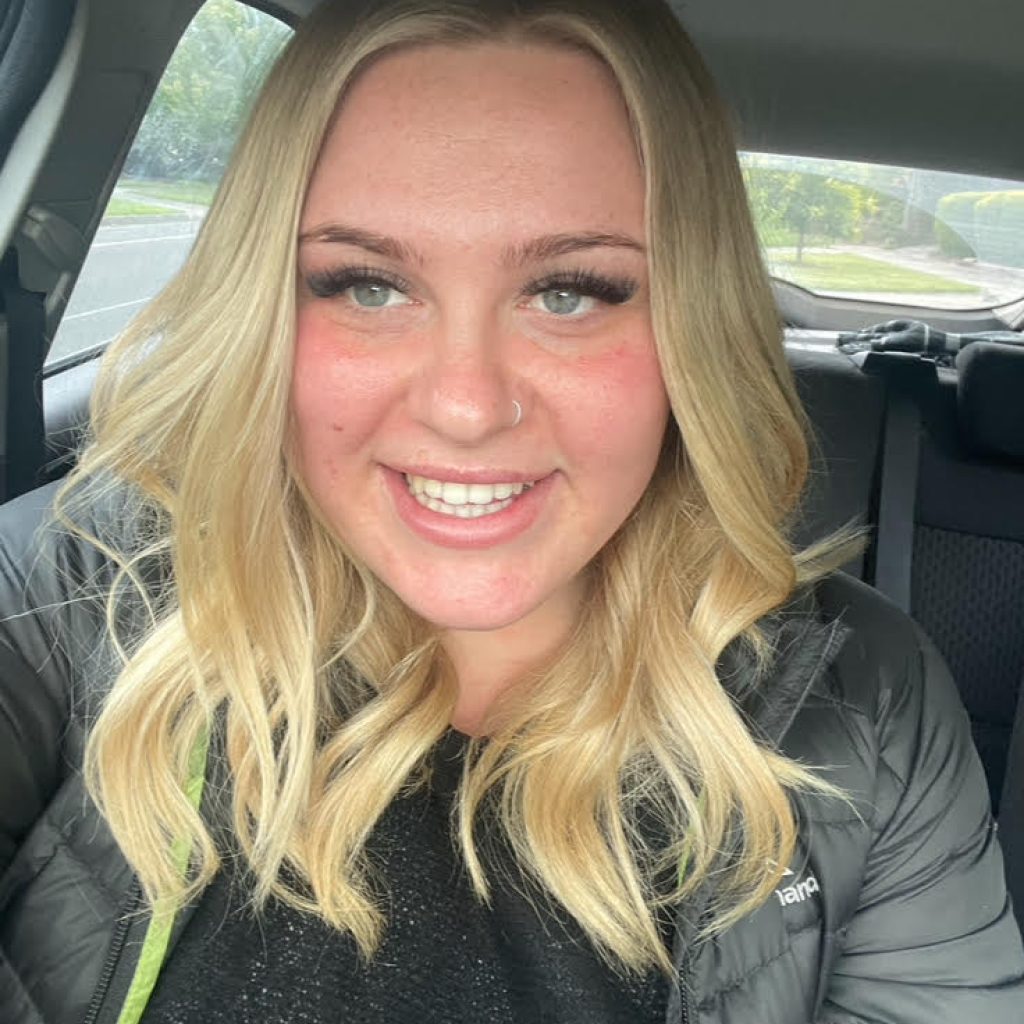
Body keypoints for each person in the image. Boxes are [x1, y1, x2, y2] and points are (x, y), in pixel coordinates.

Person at [0, 0, 1021, 1021]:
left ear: (690, 329)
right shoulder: (69, 589)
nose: (466, 404)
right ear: (262, 303)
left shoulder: (867, 706)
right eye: (365, 284)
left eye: (570, 292)